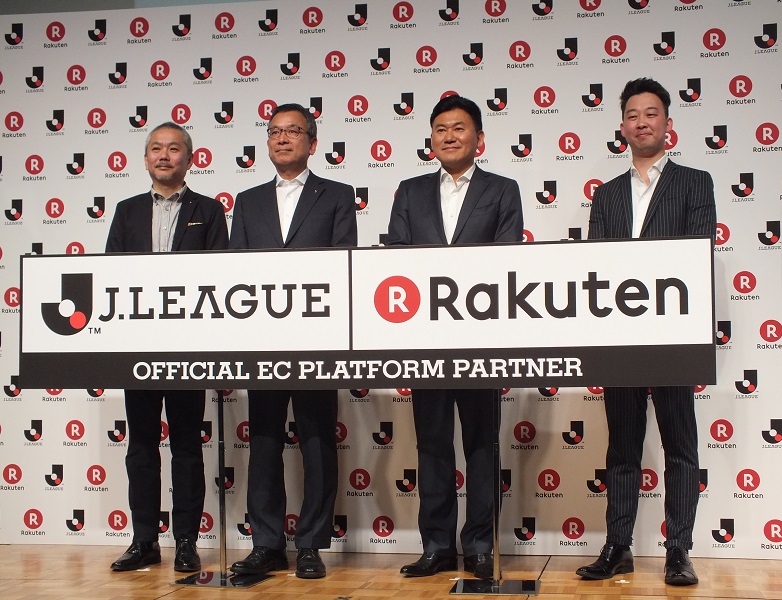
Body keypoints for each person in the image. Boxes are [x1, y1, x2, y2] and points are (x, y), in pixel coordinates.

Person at [576, 78, 715, 587]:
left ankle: (678, 550)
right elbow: (596, 265)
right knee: (622, 449)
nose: (642, 122)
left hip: (675, 334)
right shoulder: (607, 194)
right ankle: (618, 546)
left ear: (667, 123)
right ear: (622, 127)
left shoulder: (695, 183)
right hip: (620, 338)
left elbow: (697, 250)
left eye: (651, 113)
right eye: (633, 115)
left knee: (681, 447)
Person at [386, 95, 523, 579]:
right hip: (424, 341)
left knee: (483, 445)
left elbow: (507, 258)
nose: (449, 136)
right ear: (431, 139)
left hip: (481, 340)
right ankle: (437, 546)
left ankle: (481, 545)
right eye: (440, 128)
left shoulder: (502, 189)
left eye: (459, 127)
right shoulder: (410, 191)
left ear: (479, 138)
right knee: (432, 446)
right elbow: (397, 259)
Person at [229, 103, 357, 579]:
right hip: (262, 341)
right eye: (274, 131)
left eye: (293, 131)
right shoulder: (247, 200)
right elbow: (236, 269)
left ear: (312, 142)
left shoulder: (337, 195)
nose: (282, 139)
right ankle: (266, 544)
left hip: (317, 339)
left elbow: (344, 261)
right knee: (263, 442)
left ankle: (310, 544)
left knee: (318, 441)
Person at [106, 122, 229, 572]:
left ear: (189, 159)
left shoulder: (209, 210)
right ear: (145, 159)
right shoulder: (126, 211)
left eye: (173, 148)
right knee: (141, 446)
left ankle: (186, 543)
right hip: (137, 349)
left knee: (186, 447)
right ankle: (143, 541)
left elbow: (221, 277)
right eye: (155, 148)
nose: (164, 155)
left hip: (188, 349)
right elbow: (110, 275)